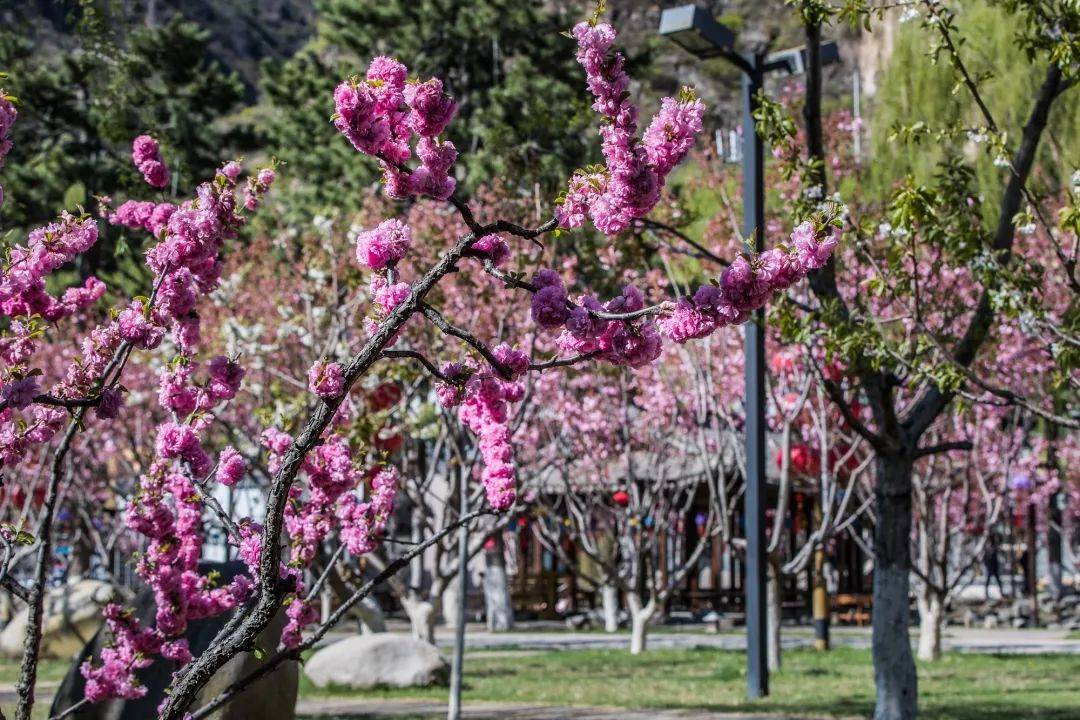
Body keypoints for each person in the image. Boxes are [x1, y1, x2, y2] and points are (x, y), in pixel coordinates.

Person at [984, 532, 1004, 600]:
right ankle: (986, 593)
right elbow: (986, 558)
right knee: (989, 580)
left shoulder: (994, 547)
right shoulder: (990, 548)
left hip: (994, 567)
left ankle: (1001, 592)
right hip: (991, 567)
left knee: (997, 581)